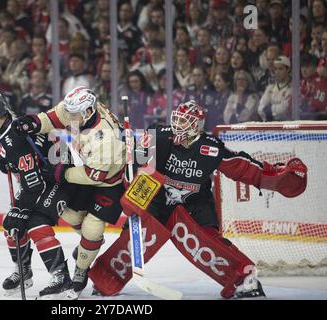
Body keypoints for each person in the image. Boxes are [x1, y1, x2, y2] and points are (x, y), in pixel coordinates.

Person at [89, 100, 308, 299]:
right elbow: (140, 166)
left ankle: (243, 279)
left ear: (196, 126)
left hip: (195, 203)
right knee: (135, 235)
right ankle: (107, 276)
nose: (178, 125)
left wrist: (277, 178)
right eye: (177, 119)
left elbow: (242, 167)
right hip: (157, 199)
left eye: (184, 121)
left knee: (209, 240)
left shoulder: (210, 148)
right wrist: (132, 182)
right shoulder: (158, 136)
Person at [12, 86, 126, 299]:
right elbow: (51, 118)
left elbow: (95, 176)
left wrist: (61, 173)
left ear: (89, 112)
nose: (69, 118)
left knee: (92, 229)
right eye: (70, 113)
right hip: (86, 171)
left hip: (109, 183)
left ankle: (81, 269)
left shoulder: (106, 136)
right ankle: (89, 246)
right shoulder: (78, 109)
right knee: (69, 213)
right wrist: (32, 123)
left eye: (74, 115)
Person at [0, 92, 73, 299]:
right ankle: (23, 271)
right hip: (46, 179)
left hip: (62, 182)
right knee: (10, 224)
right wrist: (6, 161)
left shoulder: (14, 138)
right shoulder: (11, 129)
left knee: (34, 223)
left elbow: (34, 185)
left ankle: (61, 276)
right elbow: (20, 165)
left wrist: (21, 211)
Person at [258, 55, 292, 121]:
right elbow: (260, 108)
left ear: (288, 69)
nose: (277, 72)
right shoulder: (270, 88)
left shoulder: (293, 88)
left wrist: (269, 109)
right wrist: (274, 110)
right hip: (269, 125)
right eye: (275, 69)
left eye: (280, 69)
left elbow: (284, 109)